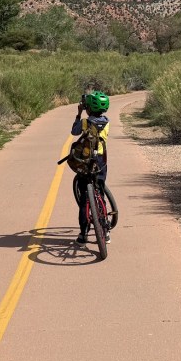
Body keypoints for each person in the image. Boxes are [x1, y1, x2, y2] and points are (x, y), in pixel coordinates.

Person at [69, 90, 110, 245]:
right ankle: (105, 232)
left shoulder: (85, 122)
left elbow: (74, 131)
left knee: (85, 196)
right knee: (100, 190)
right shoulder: (107, 122)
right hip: (100, 160)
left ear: (88, 108)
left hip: (86, 160)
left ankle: (83, 234)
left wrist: (79, 114)